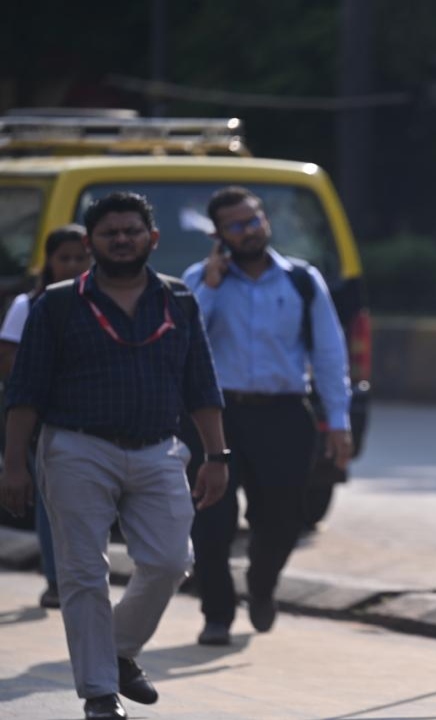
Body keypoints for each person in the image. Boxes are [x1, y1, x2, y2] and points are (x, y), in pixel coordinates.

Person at [0, 191, 228, 720]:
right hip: (76, 448)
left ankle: (120, 651)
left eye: (131, 231)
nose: (121, 240)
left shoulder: (178, 300)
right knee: (83, 572)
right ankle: (100, 692)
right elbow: (25, 391)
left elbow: (201, 383)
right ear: (91, 242)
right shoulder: (57, 303)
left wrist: (218, 455)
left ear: (153, 239)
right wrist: (13, 464)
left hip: (158, 450)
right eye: (109, 233)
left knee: (172, 561)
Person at [182, 186, 352, 647]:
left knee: (281, 520)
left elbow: (330, 352)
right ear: (218, 234)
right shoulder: (198, 279)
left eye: (254, 219)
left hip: (284, 416)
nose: (249, 230)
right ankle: (216, 613)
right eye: (236, 225)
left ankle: (261, 584)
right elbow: (183, 340)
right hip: (215, 416)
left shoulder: (301, 278)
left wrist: (339, 421)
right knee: (211, 523)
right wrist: (213, 285)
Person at [0, 224, 92, 609]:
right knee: (53, 500)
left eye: (79, 258)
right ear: (49, 262)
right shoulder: (30, 305)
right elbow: (10, 362)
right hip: (46, 419)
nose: (72, 265)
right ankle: (56, 579)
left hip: (96, 419)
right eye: (64, 258)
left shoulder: (105, 301)